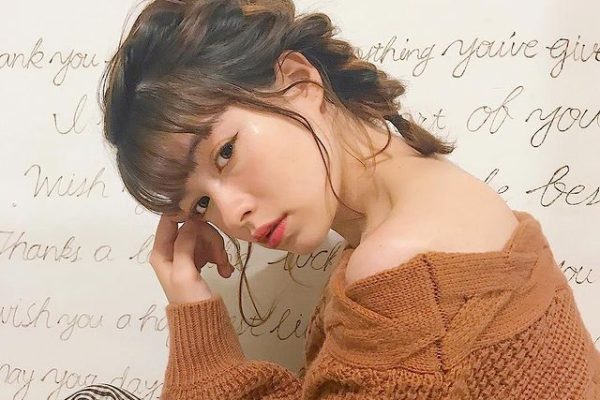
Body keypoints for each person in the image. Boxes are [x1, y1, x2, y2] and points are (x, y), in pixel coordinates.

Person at [94, 0, 600, 398]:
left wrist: (194, 318)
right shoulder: (435, 195)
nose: (231, 214)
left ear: (298, 82)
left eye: (225, 152)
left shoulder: (401, 268)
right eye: (200, 205)